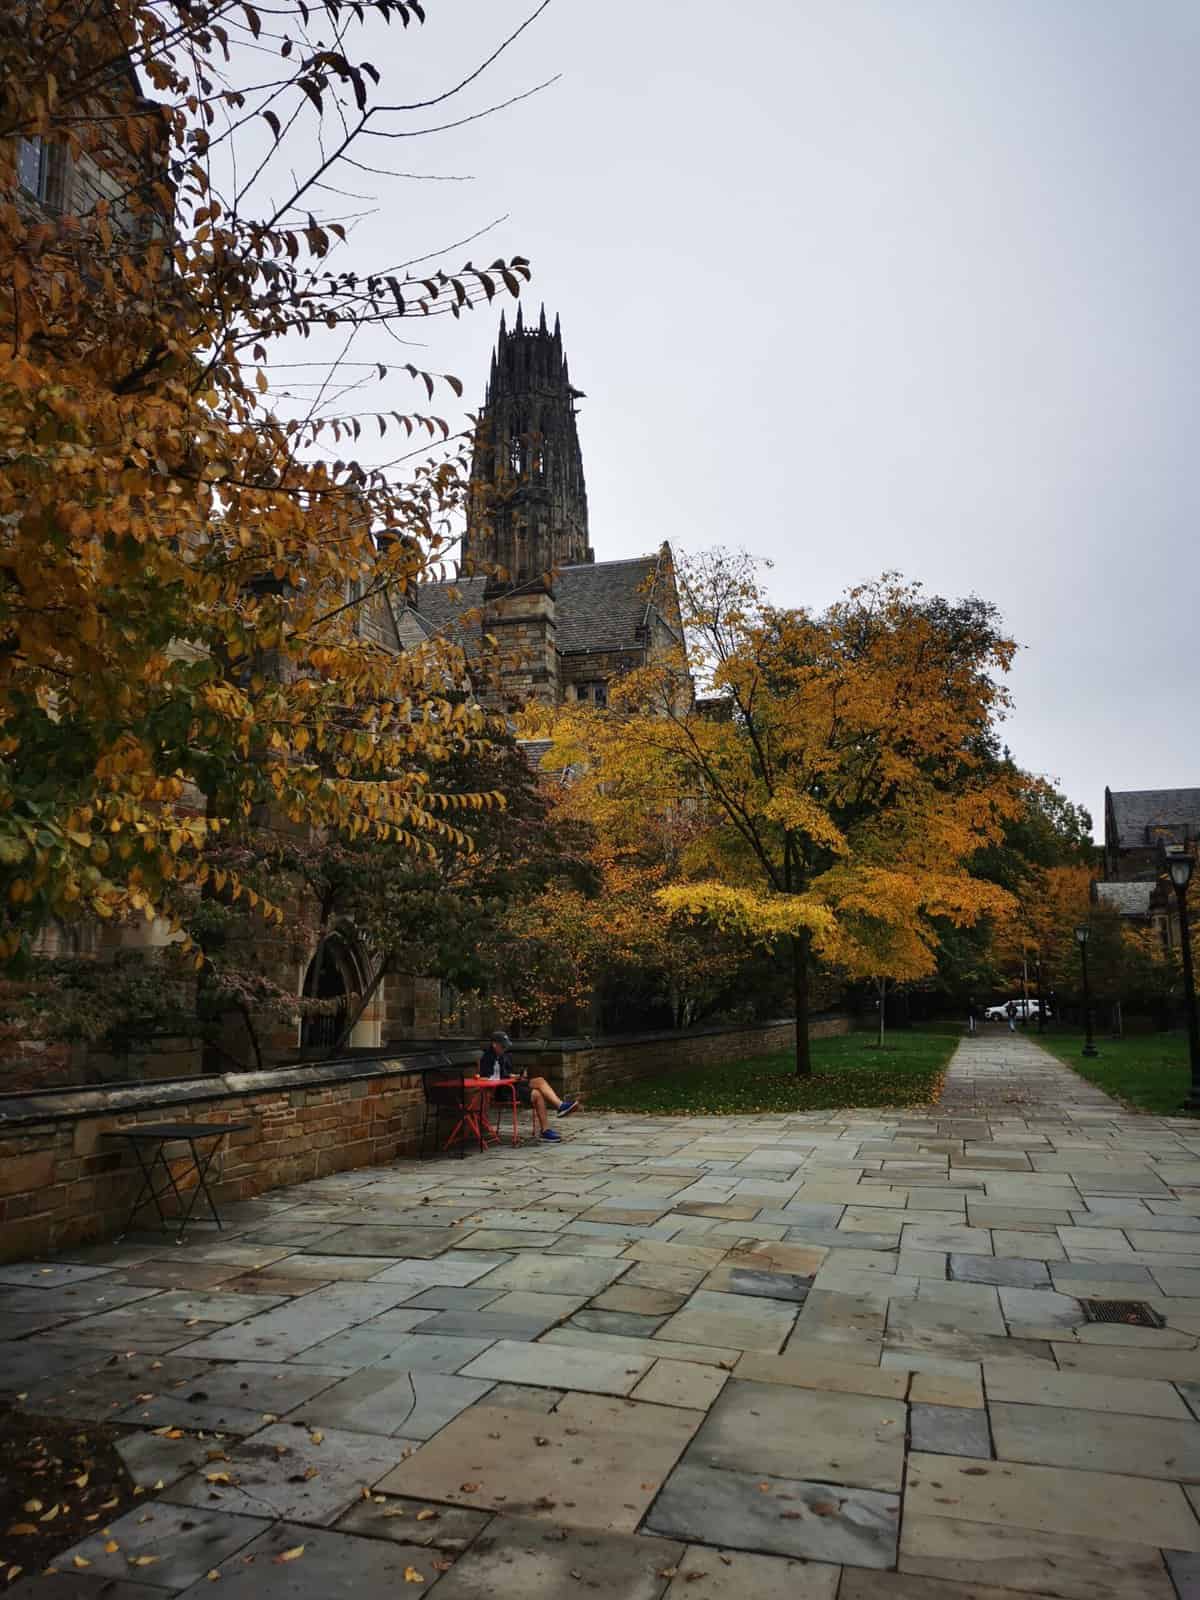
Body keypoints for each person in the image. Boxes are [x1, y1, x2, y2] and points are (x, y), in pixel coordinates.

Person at [480, 1031, 578, 1143]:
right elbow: (484, 1078)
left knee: (540, 1080)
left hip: (511, 1084)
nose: (505, 1048)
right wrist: (508, 1079)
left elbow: (505, 1074)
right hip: (503, 1091)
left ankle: (560, 1106)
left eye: (506, 1046)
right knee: (537, 1094)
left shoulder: (502, 1056)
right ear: (494, 1044)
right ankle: (545, 1131)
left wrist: (517, 1076)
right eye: (503, 1046)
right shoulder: (487, 1058)